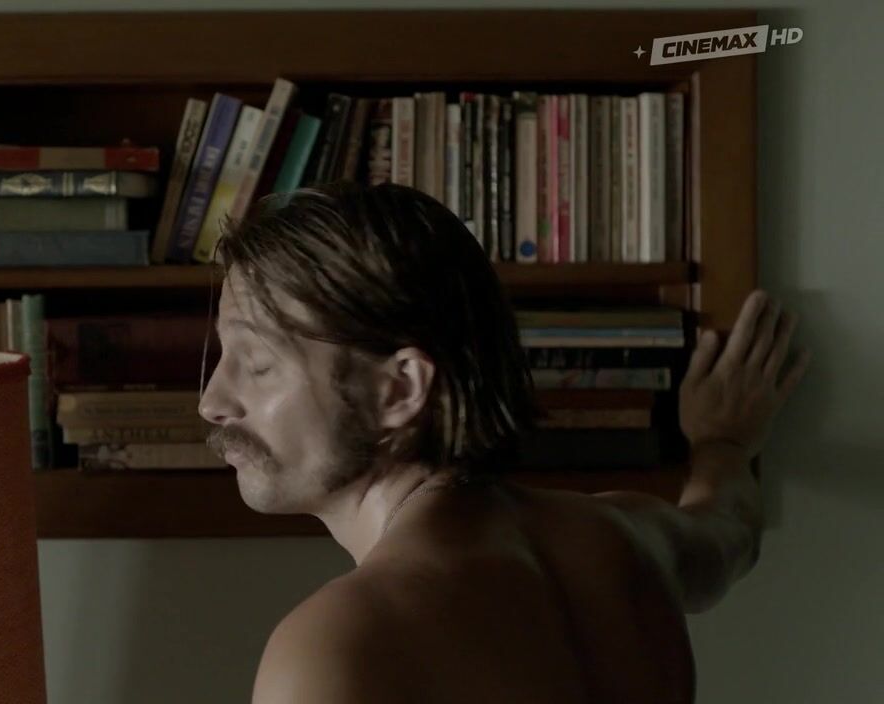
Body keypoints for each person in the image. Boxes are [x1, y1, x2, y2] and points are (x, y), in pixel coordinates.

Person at [197, 182, 812, 703]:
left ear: (399, 389)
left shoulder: (339, 642)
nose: (212, 401)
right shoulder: (628, 539)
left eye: (257, 364)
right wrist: (723, 443)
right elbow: (732, 530)